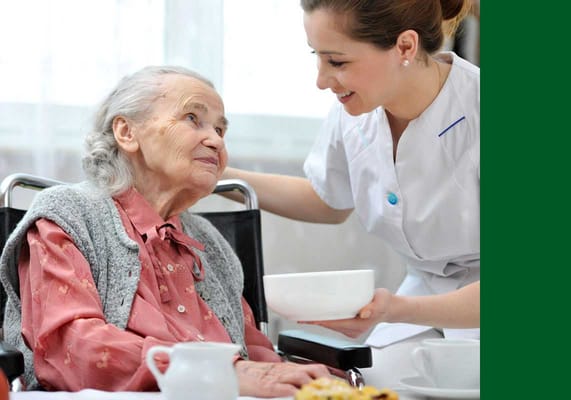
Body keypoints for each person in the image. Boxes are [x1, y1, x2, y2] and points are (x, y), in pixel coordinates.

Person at [0, 66, 334, 396]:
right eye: (192, 118)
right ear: (127, 133)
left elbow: (251, 350)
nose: (216, 140)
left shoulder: (210, 243)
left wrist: (307, 381)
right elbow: (71, 348)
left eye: (220, 129)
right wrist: (218, 373)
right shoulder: (67, 215)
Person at [221, 0, 480, 387]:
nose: (321, 80)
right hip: (420, 302)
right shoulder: (356, 112)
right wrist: (216, 176)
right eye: (317, 57)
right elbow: (328, 200)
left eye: (337, 62)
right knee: (371, 385)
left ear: (405, 47)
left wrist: (395, 309)